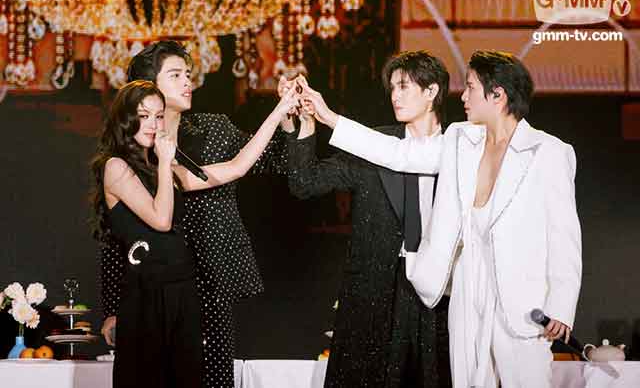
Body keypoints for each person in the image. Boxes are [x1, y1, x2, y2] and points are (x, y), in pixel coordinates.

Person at [300, 50, 582, 388]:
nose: (462, 96)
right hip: (466, 297)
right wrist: (329, 117)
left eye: (471, 88)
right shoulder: (461, 140)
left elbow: (564, 236)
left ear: (497, 95)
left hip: (521, 304)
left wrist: (561, 305)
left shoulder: (549, 152)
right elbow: (397, 153)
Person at [98, 41, 296, 387]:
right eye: (144, 116)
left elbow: (238, 166)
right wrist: (165, 161)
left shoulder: (185, 153)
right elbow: (147, 226)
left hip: (192, 288)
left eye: (157, 117)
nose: (188, 82)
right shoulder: (119, 167)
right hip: (146, 293)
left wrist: (281, 112)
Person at [287, 51, 452, 387]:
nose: (394, 96)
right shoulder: (373, 143)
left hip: (438, 294)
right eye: (392, 88)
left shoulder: (460, 149)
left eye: (404, 86)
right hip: (372, 291)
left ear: (431, 91)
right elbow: (305, 183)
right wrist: (306, 124)